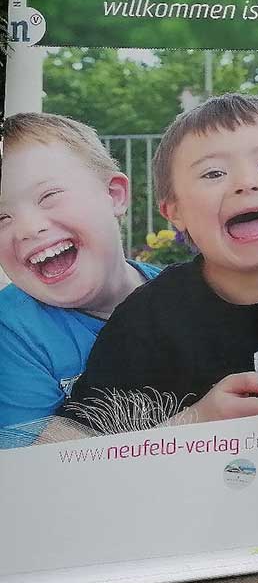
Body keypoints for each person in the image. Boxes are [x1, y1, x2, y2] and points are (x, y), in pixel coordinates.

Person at [63, 94, 258, 432]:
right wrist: (196, 421)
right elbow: (77, 445)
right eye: (213, 173)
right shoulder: (147, 320)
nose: (246, 182)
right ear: (174, 212)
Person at [0, 112, 159, 447]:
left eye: (49, 195)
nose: (28, 228)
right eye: (2, 217)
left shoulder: (190, 295)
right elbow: (29, 473)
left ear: (114, 195)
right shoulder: (11, 331)